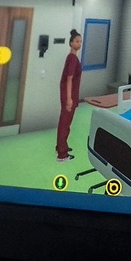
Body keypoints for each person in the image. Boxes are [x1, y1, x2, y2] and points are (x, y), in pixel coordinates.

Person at [56, 28, 83, 162]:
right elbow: (69, 79)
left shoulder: (71, 57)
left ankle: (61, 146)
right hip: (69, 95)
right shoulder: (72, 59)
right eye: (77, 41)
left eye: (80, 41)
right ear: (71, 43)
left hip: (69, 94)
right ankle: (62, 154)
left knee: (64, 122)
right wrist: (69, 99)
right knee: (65, 124)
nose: (79, 44)